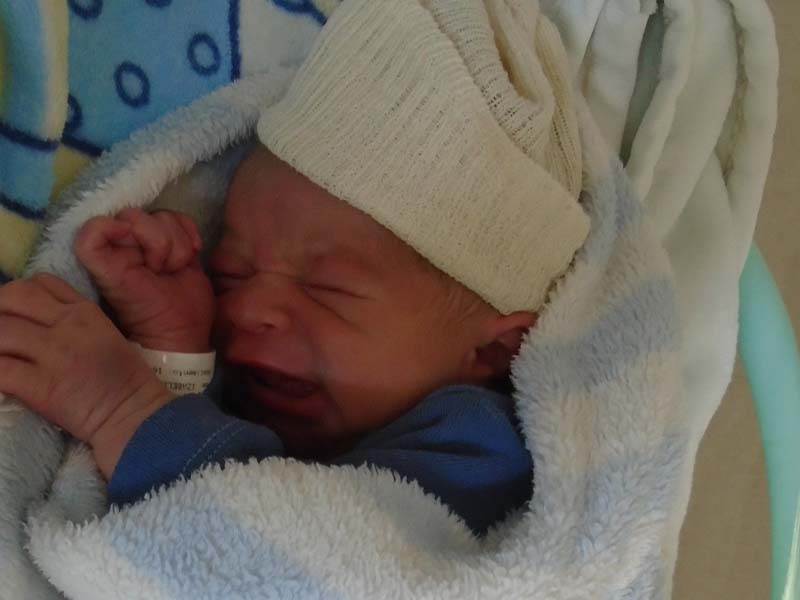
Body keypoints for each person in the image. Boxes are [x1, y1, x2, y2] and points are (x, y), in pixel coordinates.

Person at [0, 0, 589, 537]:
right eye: (230, 273)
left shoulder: (480, 453)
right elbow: (177, 526)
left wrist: (120, 408)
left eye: (326, 289)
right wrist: (173, 350)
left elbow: (299, 559)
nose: (247, 309)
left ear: (490, 352)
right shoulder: (305, 412)